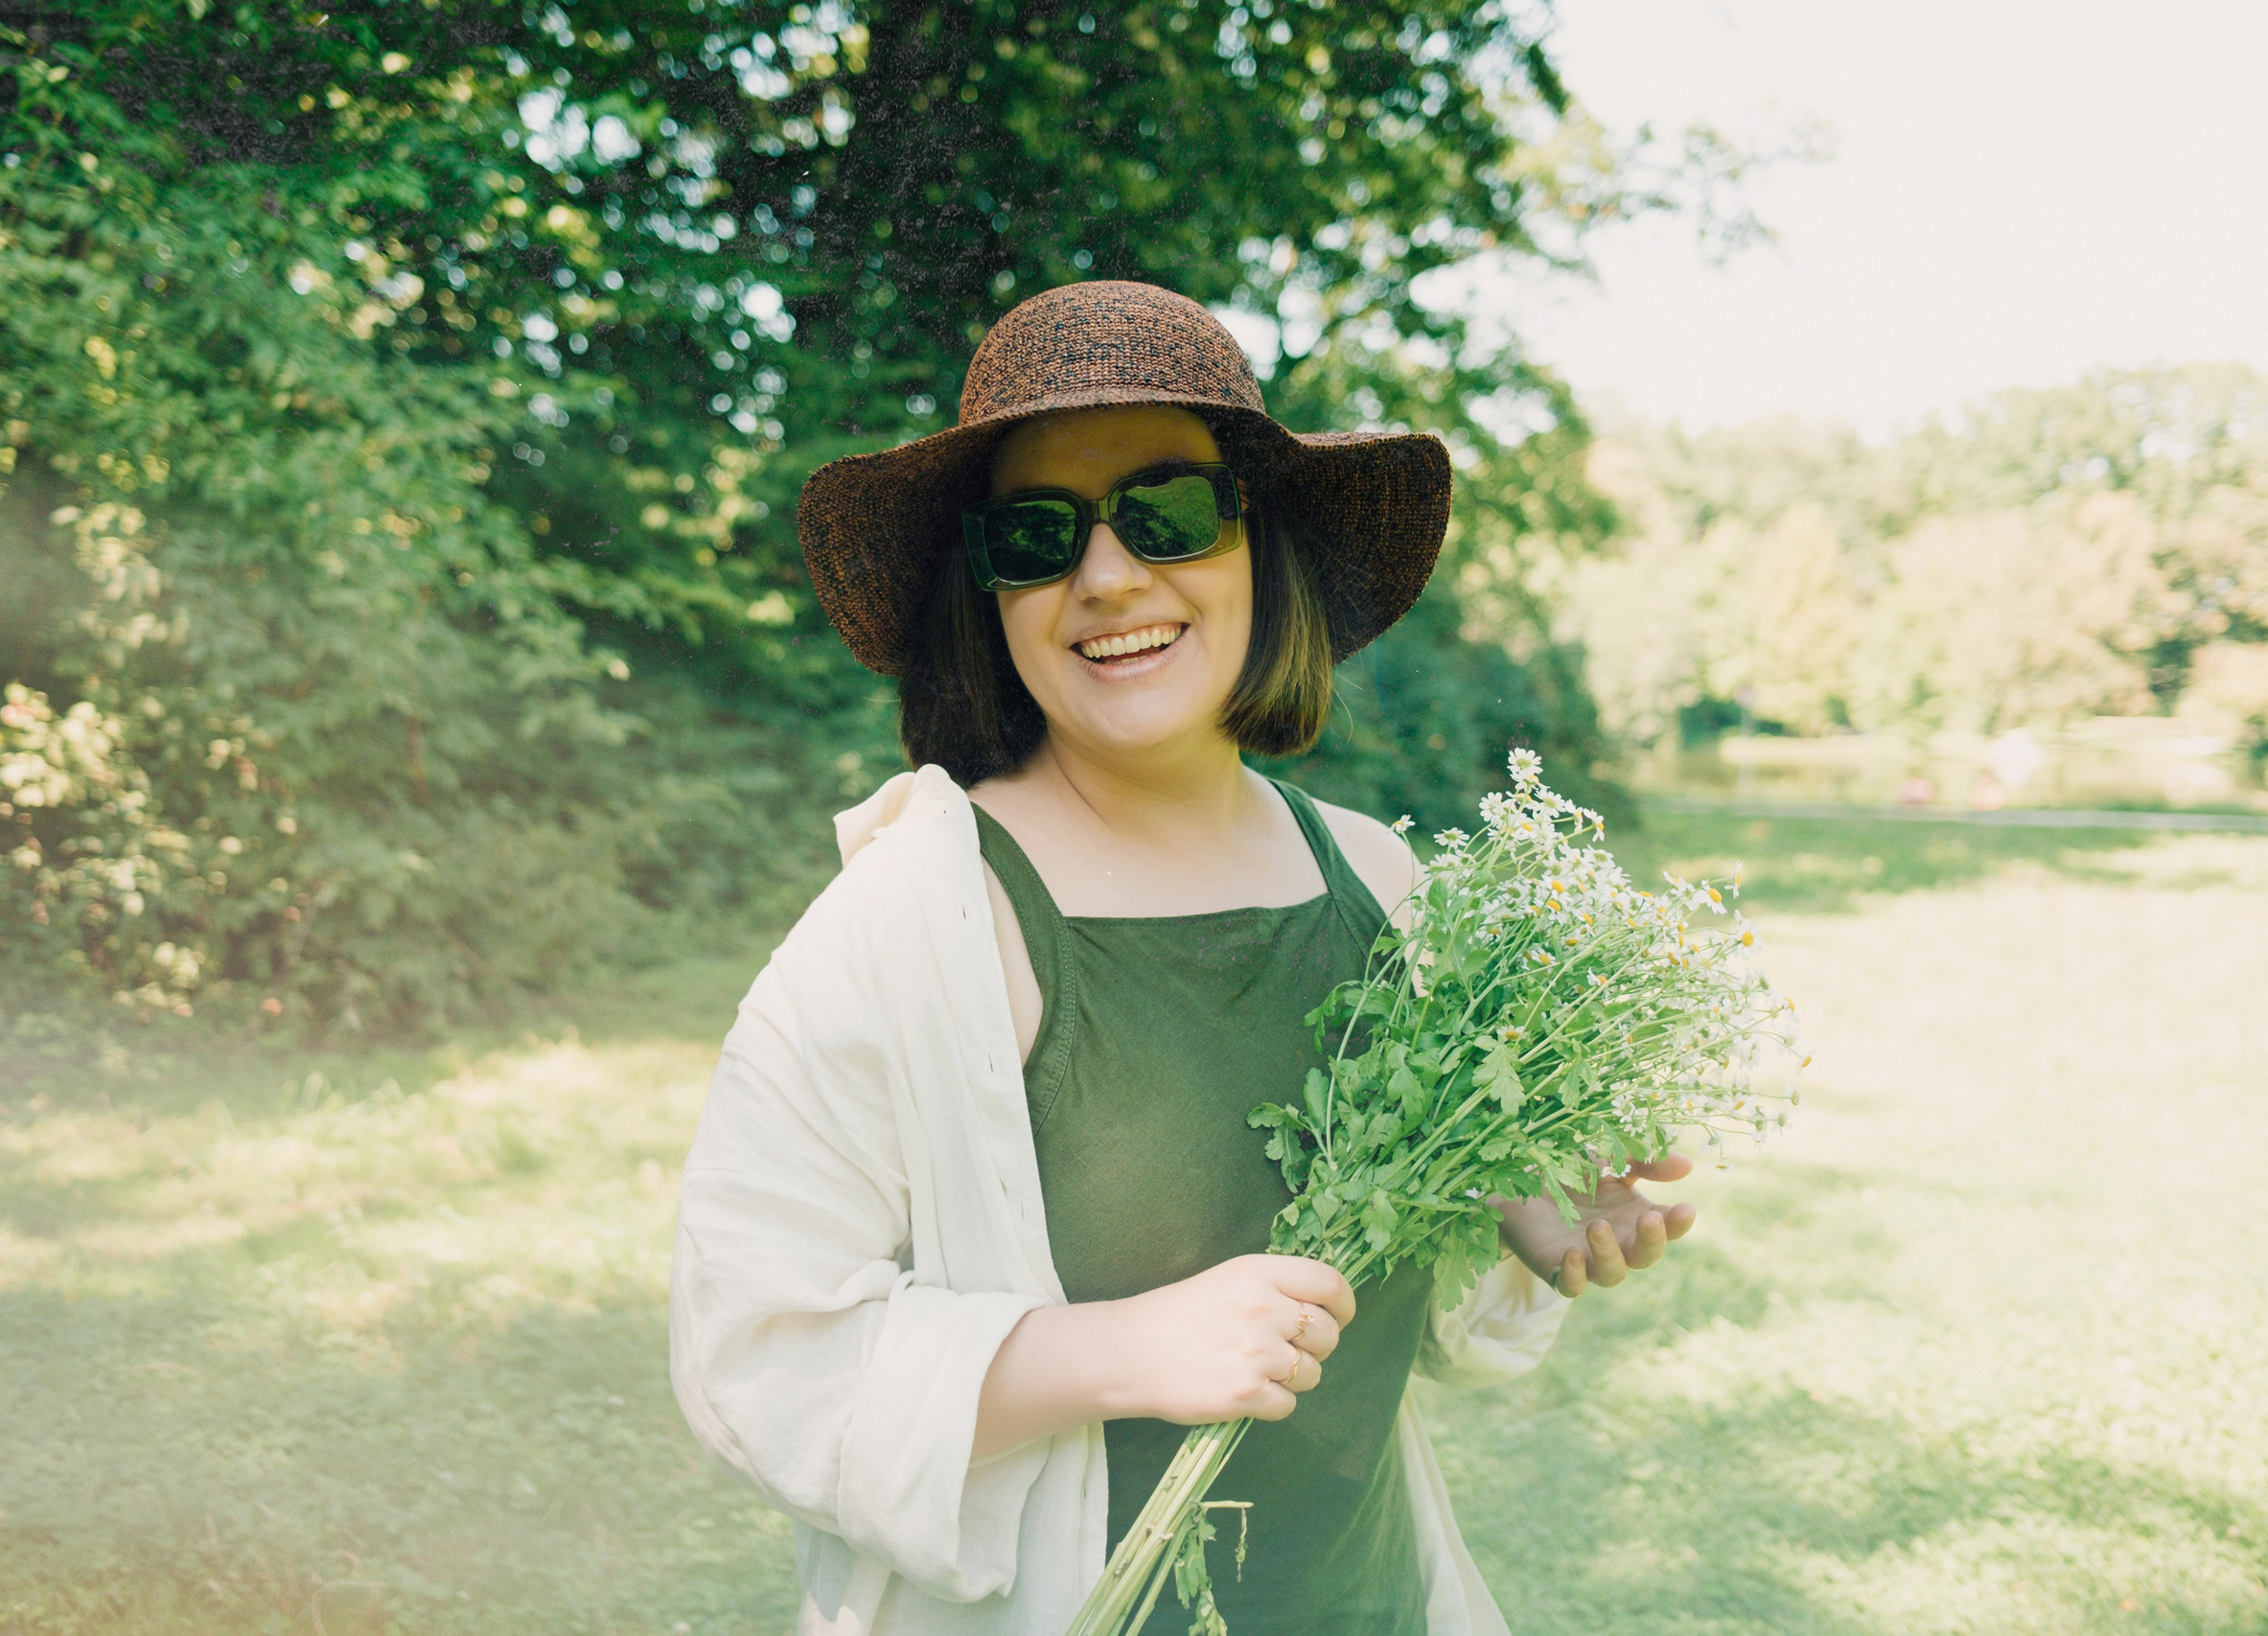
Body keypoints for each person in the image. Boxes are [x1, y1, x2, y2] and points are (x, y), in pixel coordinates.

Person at [670, 281, 1696, 1635]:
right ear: (990, 593)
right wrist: (1121, 1352)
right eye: (1038, 536)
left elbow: (1379, 1256)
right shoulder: (911, 924)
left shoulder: (1377, 884)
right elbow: (759, 1353)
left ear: (1259, 547)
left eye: (1168, 513)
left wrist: (1532, 1218)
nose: (1106, 576)